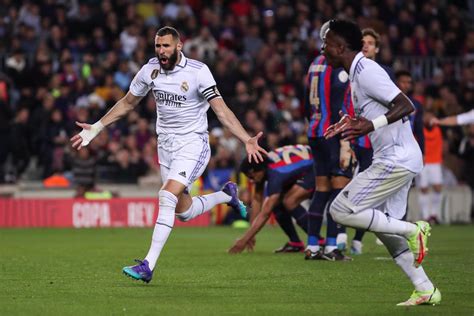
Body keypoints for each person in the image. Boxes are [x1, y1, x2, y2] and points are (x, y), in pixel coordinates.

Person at [70, 26, 267, 283]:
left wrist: (245, 139)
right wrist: (97, 127)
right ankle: (225, 195)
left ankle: (148, 265)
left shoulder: (198, 72)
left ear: (179, 46)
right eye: (158, 46)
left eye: (166, 46)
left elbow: (221, 110)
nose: (161, 51)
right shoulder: (150, 70)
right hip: (166, 145)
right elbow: (128, 102)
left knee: (165, 195)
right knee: (183, 212)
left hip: (193, 144)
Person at [322, 19, 441, 306]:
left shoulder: (366, 72)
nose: (322, 49)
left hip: (395, 159)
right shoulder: (357, 72)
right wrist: (350, 123)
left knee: (340, 210)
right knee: (383, 228)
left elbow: (406, 105)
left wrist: (369, 125)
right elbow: (376, 110)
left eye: (326, 44)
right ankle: (425, 288)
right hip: (398, 157)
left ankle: (415, 230)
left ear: (340, 47)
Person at [303, 21, 353, 261]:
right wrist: (344, 140)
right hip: (332, 134)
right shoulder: (337, 66)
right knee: (338, 190)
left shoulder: (314, 64)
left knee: (321, 190)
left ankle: (312, 246)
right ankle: (332, 246)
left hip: (314, 131)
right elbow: (337, 106)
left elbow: (306, 101)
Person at [228, 144, 314, 254]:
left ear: (257, 171)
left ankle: (318, 242)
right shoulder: (264, 165)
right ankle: (296, 244)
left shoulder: (275, 174)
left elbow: (265, 213)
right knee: (277, 204)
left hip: (318, 165)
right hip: (309, 163)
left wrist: (244, 240)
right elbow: (257, 200)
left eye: (251, 176)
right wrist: (251, 235)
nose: (251, 180)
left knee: (290, 201)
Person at [418, 111, 444, 223]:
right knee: (424, 188)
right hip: (424, 162)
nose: (429, 119)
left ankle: (434, 214)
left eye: (431, 116)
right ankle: (426, 216)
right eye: (426, 117)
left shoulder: (438, 129)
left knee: (438, 188)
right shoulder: (420, 130)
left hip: (435, 162)